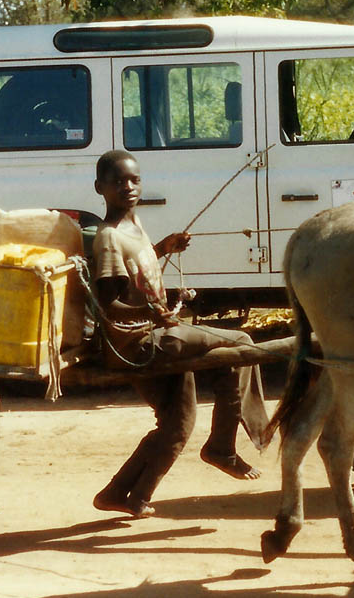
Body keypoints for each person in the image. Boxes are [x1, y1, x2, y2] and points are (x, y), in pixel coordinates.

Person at [90, 150, 269, 518]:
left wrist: (163, 250)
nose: (128, 187)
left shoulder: (134, 228)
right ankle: (224, 446)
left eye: (134, 180)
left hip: (155, 332)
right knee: (243, 344)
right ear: (100, 188)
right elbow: (108, 306)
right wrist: (155, 313)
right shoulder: (108, 237)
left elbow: (138, 275)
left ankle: (123, 495)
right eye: (118, 181)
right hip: (138, 343)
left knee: (177, 425)